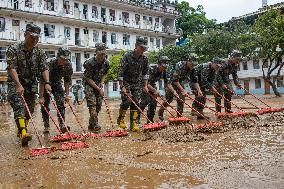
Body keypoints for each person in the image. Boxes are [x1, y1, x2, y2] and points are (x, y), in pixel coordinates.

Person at [6, 23, 51, 146]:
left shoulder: (40, 52)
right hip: (15, 83)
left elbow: (44, 68)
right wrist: (18, 84)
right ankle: (24, 133)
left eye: (37, 38)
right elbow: (11, 68)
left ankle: (21, 128)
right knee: (19, 106)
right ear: (25, 34)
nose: (34, 40)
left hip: (31, 83)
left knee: (29, 110)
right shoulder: (13, 49)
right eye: (32, 37)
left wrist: (47, 82)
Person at [117, 37, 149, 132]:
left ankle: (133, 123)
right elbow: (120, 72)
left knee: (135, 102)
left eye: (144, 48)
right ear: (136, 46)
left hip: (137, 83)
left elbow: (145, 74)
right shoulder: (127, 56)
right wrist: (122, 86)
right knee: (127, 100)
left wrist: (145, 85)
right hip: (126, 82)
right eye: (141, 47)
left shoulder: (145, 59)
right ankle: (121, 119)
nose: (143, 50)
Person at [157, 54, 203, 121]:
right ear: (188, 61)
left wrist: (199, 90)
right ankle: (160, 112)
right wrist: (183, 90)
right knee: (168, 99)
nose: (193, 66)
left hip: (182, 83)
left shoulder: (193, 68)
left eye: (194, 65)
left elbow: (194, 80)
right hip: (171, 83)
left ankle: (179, 117)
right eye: (192, 64)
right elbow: (175, 80)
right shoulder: (179, 65)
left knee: (181, 99)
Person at [40, 47, 73, 134]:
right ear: (58, 56)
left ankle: (62, 124)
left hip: (57, 83)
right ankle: (46, 125)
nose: (64, 61)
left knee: (61, 103)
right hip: (46, 83)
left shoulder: (68, 65)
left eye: (66, 59)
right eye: (62, 59)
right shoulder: (49, 63)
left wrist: (66, 94)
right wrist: (40, 97)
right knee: (45, 105)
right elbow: (42, 81)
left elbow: (67, 80)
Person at [83, 43, 109, 131]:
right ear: (96, 53)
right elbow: (88, 78)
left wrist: (102, 83)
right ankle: (95, 124)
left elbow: (105, 74)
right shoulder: (90, 62)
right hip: (89, 84)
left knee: (98, 105)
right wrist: (98, 89)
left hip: (98, 83)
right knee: (92, 105)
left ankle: (91, 124)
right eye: (100, 54)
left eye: (104, 54)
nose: (102, 56)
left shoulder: (106, 62)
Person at [137, 56, 170, 124]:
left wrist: (163, 95)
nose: (164, 68)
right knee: (145, 101)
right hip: (143, 83)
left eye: (165, 67)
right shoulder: (150, 68)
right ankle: (137, 117)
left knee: (154, 102)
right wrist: (154, 90)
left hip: (151, 83)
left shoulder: (164, 71)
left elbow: (166, 83)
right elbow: (146, 83)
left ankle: (150, 120)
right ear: (158, 64)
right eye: (163, 67)